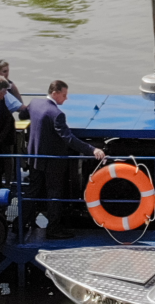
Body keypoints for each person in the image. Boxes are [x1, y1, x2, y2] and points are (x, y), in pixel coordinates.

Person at [26, 80, 106, 239]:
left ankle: (20, 223)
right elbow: (69, 139)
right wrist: (92, 149)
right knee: (54, 194)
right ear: (55, 93)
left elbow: (23, 114)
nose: (66, 98)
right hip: (53, 162)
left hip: (34, 157)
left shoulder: (34, 103)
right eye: (64, 95)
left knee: (32, 192)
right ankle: (53, 228)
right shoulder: (57, 114)